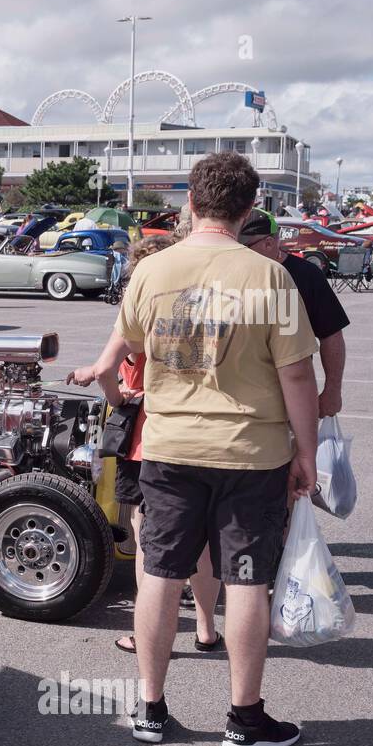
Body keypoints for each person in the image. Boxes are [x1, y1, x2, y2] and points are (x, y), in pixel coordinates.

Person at [99, 151, 319, 746]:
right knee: (247, 580)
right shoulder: (269, 276)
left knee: (160, 574)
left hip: (168, 447)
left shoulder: (151, 271)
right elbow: (298, 377)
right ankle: (244, 719)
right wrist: (308, 453)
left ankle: (149, 707)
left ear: (190, 204)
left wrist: (124, 394)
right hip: (251, 450)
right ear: (250, 210)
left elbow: (126, 357)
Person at [70, 234, 224, 656]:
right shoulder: (200, 307)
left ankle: (148, 633)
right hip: (205, 434)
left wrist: (120, 398)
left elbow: (106, 371)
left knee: (151, 545)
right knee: (204, 540)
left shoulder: (137, 311)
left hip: (149, 444)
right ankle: (208, 629)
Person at [238, 208, 348, 417]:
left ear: (269, 243)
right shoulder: (232, 272)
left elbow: (331, 334)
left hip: (290, 396)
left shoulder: (306, 275)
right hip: (239, 397)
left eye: (243, 246)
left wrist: (333, 391)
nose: (236, 252)